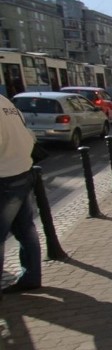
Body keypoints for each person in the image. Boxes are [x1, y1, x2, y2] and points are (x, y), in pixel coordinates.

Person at [0, 94, 42, 296]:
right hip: (22, 171)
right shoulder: (4, 102)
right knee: (25, 228)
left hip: (4, 177)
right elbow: (27, 134)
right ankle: (32, 277)